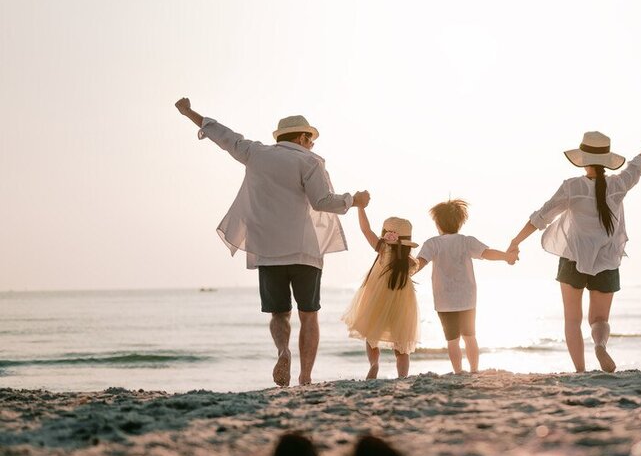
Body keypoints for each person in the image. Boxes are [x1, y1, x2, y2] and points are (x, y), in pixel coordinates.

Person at [174, 98, 369, 387]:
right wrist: (353, 200)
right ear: (303, 137)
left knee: (279, 313)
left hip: (267, 250)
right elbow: (322, 202)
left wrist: (190, 113)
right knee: (309, 314)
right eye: (311, 140)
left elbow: (224, 136)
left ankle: (282, 351)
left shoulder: (255, 153)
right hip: (304, 251)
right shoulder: (310, 161)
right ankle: (305, 377)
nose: (312, 145)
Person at [508, 121, 641, 373]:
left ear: (583, 159)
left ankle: (581, 371)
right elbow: (639, 161)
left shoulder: (572, 187)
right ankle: (600, 345)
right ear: (606, 160)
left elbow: (541, 217)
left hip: (573, 258)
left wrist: (515, 242)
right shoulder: (619, 184)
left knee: (572, 321)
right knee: (599, 319)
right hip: (607, 259)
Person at [416, 199, 518, 374]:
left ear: (438, 223)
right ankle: (474, 370)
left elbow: (419, 263)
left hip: (444, 300)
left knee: (452, 340)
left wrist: (404, 272)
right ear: (460, 222)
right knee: (470, 337)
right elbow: (488, 253)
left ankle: (457, 371)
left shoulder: (432, 243)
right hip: (467, 299)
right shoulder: (466, 241)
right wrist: (507, 256)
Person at [342, 210, 421, 379]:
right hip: (402, 301)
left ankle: (374, 364)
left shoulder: (383, 249)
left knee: (371, 334)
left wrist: (360, 208)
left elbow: (365, 229)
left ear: (386, 236)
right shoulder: (409, 261)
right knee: (402, 344)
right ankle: (402, 377)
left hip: (378, 297)